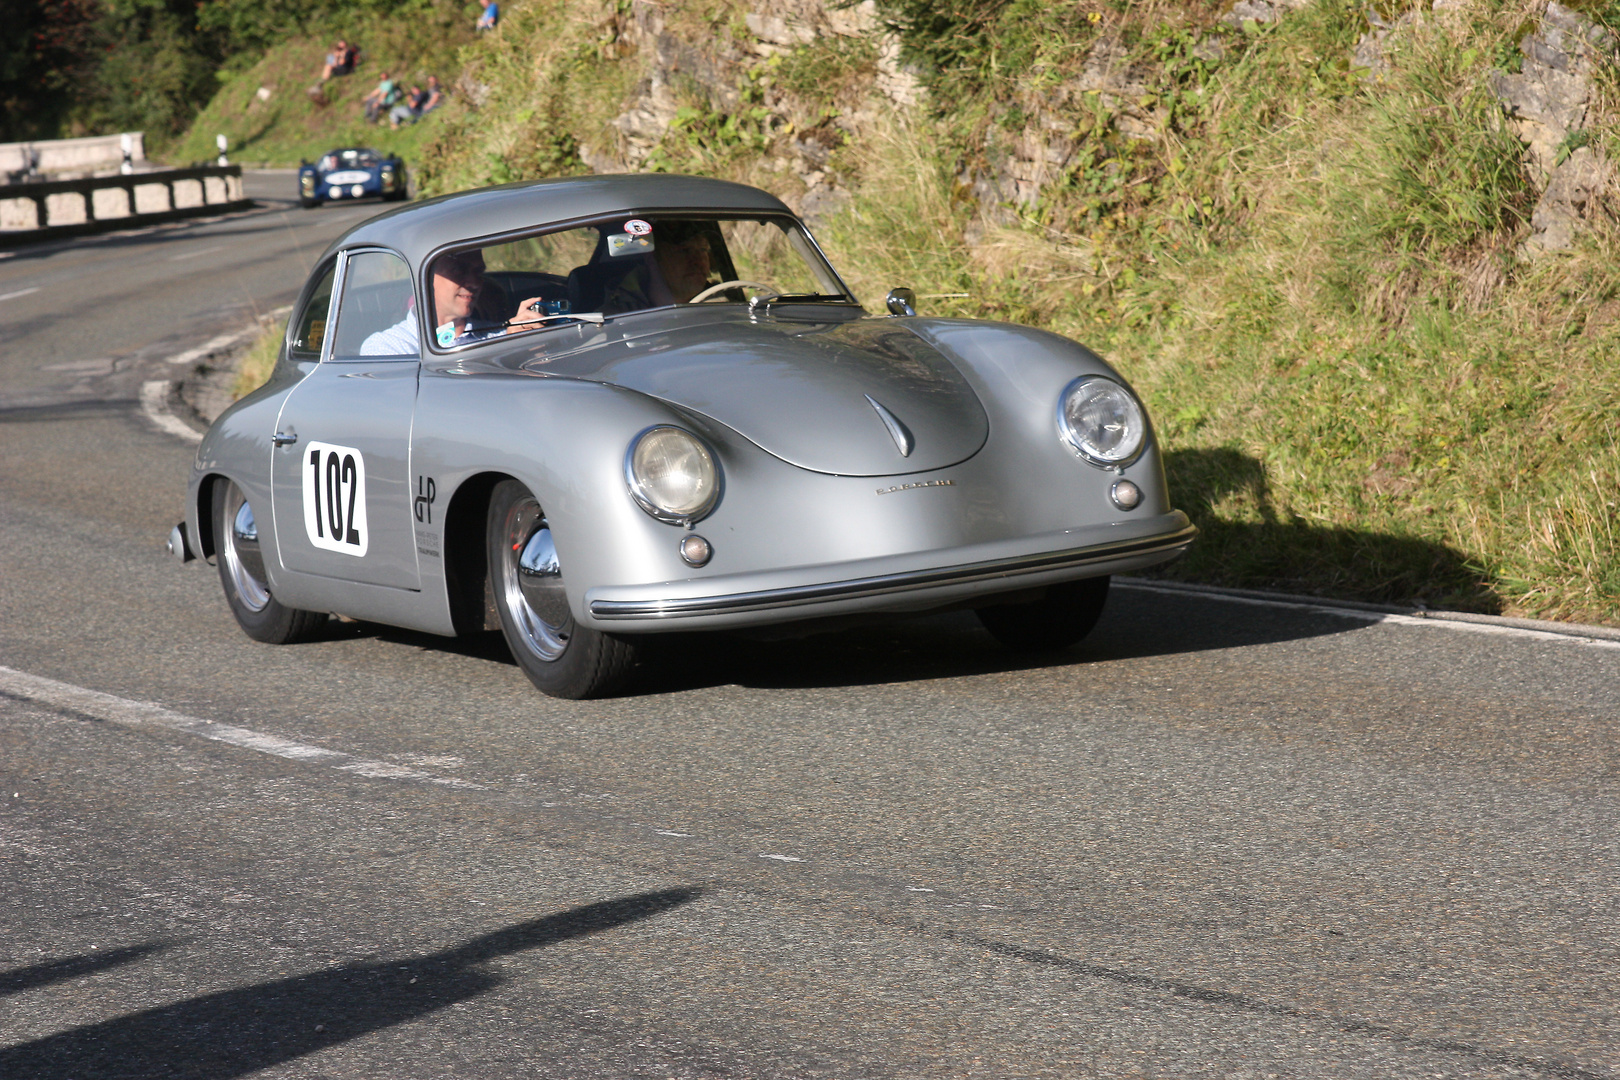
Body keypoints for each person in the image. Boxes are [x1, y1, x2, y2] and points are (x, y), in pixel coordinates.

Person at [360, 249, 549, 355]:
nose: (475, 283)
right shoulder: (388, 347)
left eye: (478, 272)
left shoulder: (501, 335)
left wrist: (524, 344)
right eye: (458, 271)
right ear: (425, 276)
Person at [602, 222, 718, 314]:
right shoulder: (618, 316)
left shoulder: (722, 301)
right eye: (684, 251)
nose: (698, 261)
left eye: (703, 250)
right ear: (653, 258)